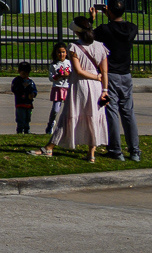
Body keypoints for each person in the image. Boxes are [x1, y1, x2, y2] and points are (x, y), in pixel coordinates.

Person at [32, 17, 108, 162]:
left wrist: (94, 77)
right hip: (97, 87)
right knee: (94, 116)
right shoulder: (100, 47)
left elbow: (78, 71)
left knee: (68, 115)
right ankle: (91, 153)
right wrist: (104, 89)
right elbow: (104, 72)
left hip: (80, 85)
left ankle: (50, 147)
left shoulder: (74, 47)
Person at [95, 1, 141, 161]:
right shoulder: (132, 28)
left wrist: (95, 18)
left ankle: (116, 149)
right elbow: (125, 27)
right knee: (128, 112)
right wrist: (111, 14)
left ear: (109, 11)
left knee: (112, 111)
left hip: (110, 74)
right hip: (126, 74)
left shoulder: (105, 29)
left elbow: (89, 35)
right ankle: (134, 150)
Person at [44, 43, 72, 136]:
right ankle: (51, 124)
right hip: (58, 88)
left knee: (68, 110)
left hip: (68, 88)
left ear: (66, 53)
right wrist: (58, 75)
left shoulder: (69, 63)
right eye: (59, 52)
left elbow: (74, 74)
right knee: (56, 109)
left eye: (63, 52)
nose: (61, 54)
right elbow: (51, 78)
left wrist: (68, 74)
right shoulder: (54, 65)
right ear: (56, 53)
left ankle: (67, 128)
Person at [11, 62, 37, 134]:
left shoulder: (30, 82)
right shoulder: (17, 81)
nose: (25, 75)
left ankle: (27, 129)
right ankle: (19, 130)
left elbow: (34, 90)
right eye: (23, 73)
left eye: (27, 73)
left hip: (28, 104)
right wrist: (22, 87)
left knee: (27, 117)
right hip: (20, 103)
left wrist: (33, 94)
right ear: (19, 72)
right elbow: (14, 89)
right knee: (20, 118)